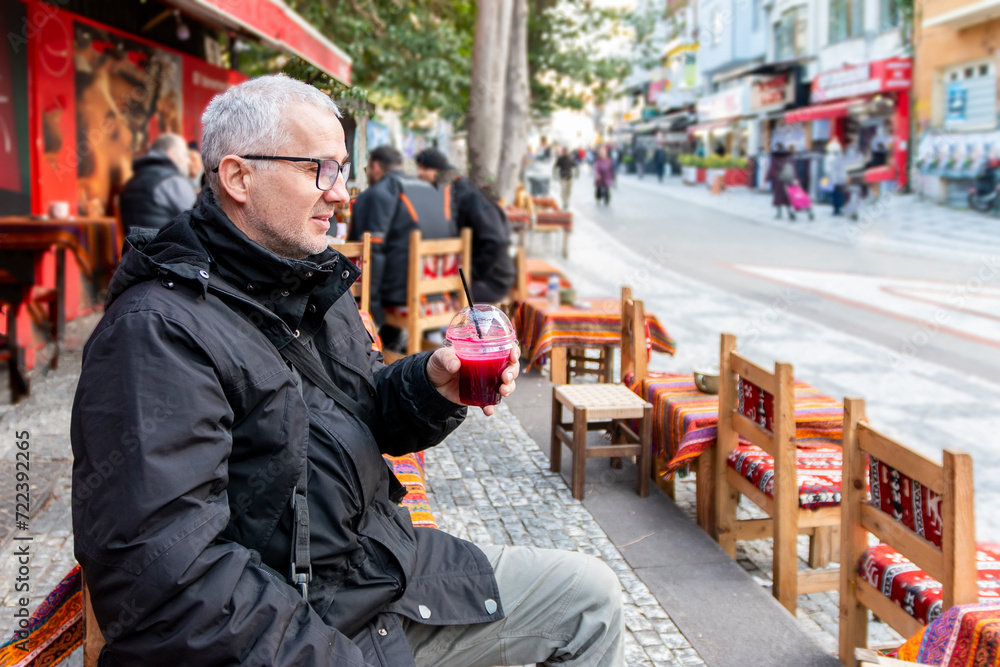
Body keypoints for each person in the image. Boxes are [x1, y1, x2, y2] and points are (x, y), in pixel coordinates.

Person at [71, 74, 623, 667]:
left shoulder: (308, 279)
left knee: (590, 596)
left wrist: (430, 386)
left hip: (373, 570)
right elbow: (164, 583)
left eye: (343, 169)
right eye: (321, 169)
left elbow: (357, 410)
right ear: (238, 177)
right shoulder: (157, 333)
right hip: (307, 625)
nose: (341, 193)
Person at [349, 144, 452, 350]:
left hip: (403, 294)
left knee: (352, 282)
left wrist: (372, 310)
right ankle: (395, 344)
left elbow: (371, 254)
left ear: (375, 167)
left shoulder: (377, 194)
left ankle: (378, 347)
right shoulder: (431, 190)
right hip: (441, 290)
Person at [415, 148, 516, 304]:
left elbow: (495, 240)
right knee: (421, 290)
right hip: (475, 277)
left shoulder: (465, 195)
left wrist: (472, 273)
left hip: (491, 281)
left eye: (424, 168)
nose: (419, 174)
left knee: (427, 297)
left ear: (437, 171)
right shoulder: (452, 192)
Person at [119, 132, 197, 233]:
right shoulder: (172, 179)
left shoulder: (133, 179)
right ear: (171, 155)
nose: (188, 161)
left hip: (136, 245)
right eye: (185, 155)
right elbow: (197, 220)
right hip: (165, 245)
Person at [768, 143, 796, 221]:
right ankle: (790, 212)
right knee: (787, 196)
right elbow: (793, 168)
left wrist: (766, 180)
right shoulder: (788, 157)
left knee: (778, 196)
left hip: (778, 179)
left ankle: (779, 213)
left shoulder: (774, 157)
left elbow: (771, 168)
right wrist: (795, 178)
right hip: (788, 179)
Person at [823, 138, 848, 216]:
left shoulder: (829, 158)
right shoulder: (840, 157)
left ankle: (836, 209)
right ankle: (838, 208)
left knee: (834, 194)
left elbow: (827, 170)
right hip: (840, 179)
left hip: (833, 179)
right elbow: (843, 168)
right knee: (839, 194)